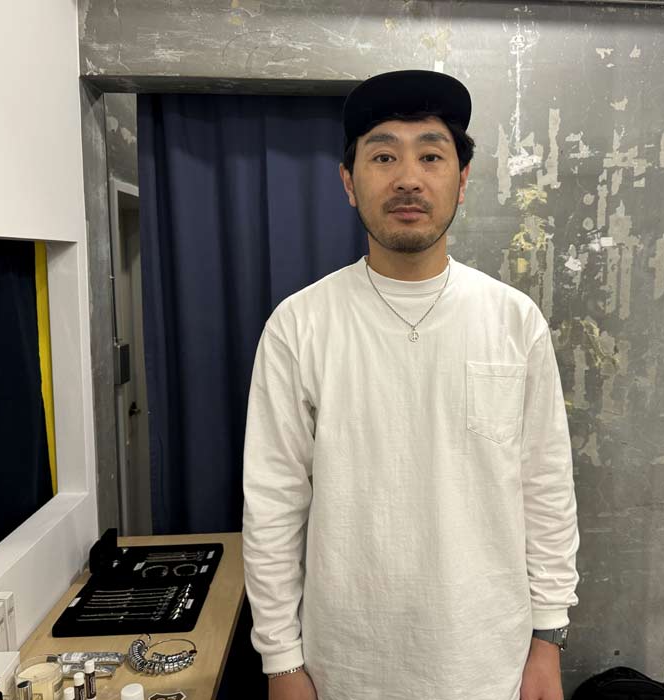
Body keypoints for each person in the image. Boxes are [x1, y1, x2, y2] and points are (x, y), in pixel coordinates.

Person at [242, 69, 579, 700]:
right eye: (382, 157)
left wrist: (548, 637)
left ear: (462, 179)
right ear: (349, 182)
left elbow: (546, 488)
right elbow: (273, 504)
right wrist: (281, 661)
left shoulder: (513, 320)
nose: (407, 178)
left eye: (430, 155)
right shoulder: (300, 325)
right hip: (346, 665)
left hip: (491, 661)